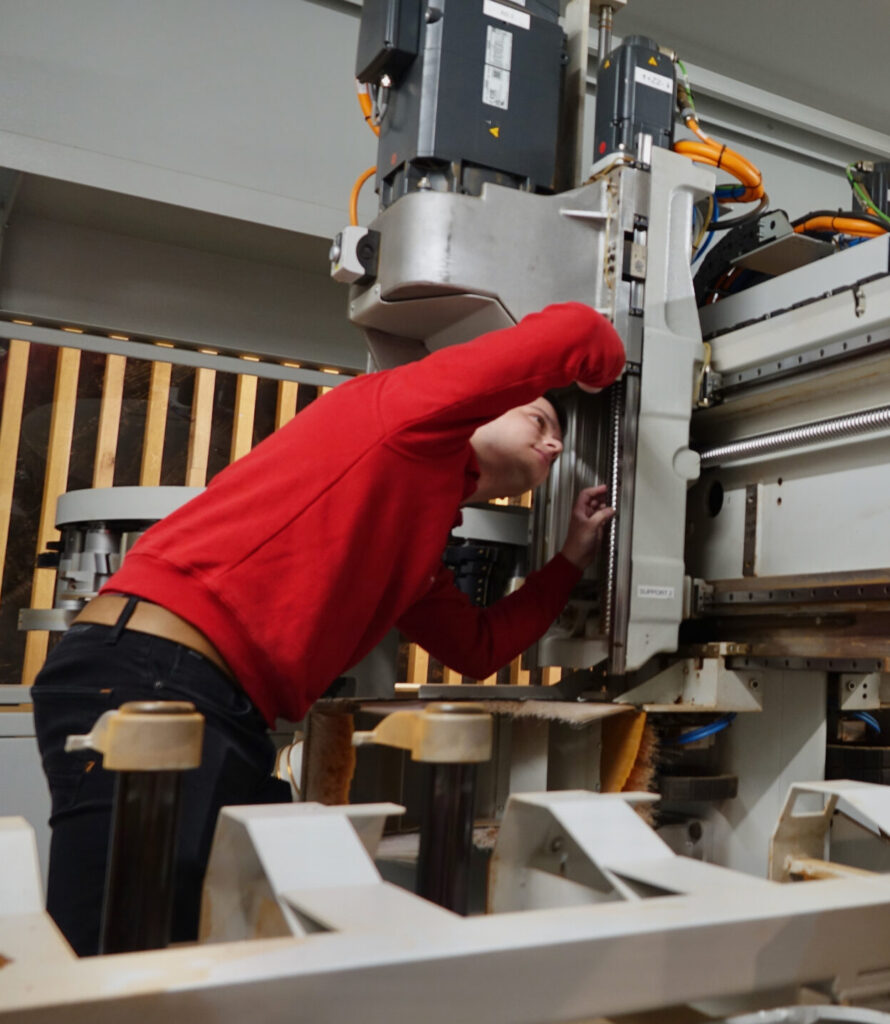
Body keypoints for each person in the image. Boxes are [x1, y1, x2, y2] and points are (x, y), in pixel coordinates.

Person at [31, 301, 626, 954]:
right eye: (540, 418)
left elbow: (476, 649)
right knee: (114, 951)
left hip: (222, 709)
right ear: (483, 405)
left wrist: (570, 558)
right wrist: (610, 371)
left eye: (561, 438)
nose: (556, 443)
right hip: (150, 679)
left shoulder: (424, 530)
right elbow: (579, 334)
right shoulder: (406, 413)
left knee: (261, 934)